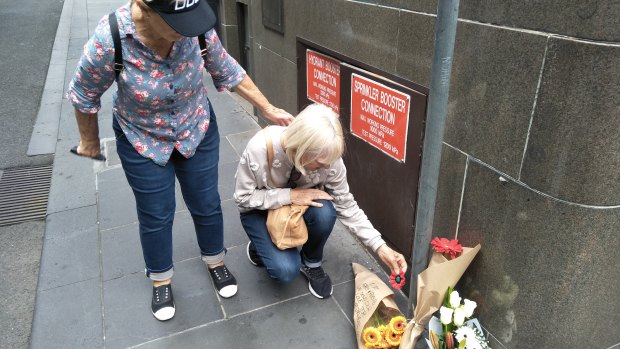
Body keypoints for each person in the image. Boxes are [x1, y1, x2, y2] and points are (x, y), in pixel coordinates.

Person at [66, 0, 293, 321]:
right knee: (156, 213)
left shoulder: (192, 28)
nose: (188, 29)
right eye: (177, 21)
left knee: (207, 203)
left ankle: (215, 260)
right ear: (145, 8)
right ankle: (161, 278)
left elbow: (225, 67)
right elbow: (83, 94)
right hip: (141, 137)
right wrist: (89, 142)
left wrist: (267, 107)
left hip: (195, 126)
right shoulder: (110, 39)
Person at [234, 103, 408, 299]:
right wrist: (291, 196)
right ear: (302, 148)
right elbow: (242, 198)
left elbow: (347, 205)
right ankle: (260, 246)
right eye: (320, 162)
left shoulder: (329, 159)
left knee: (325, 211)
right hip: (261, 209)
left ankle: (311, 262)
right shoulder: (260, 148)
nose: (327, 166)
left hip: (298, 207)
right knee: (284, 271)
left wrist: (380, 247)